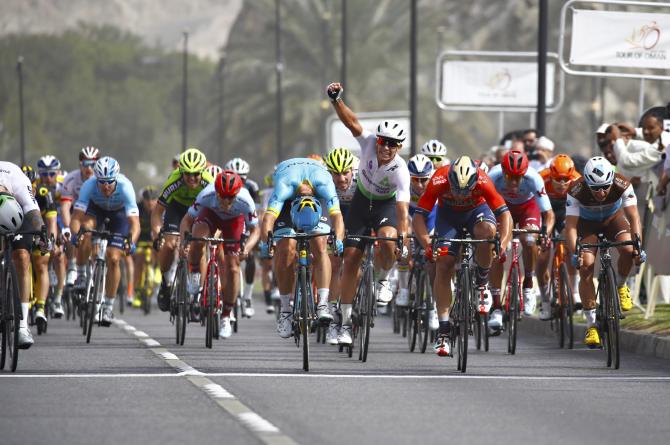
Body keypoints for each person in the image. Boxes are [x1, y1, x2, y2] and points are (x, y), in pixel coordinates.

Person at [326, 81, 411, 345]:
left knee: (388, 238)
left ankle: (384, 278)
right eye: (384, 142)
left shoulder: (400, 170)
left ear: (399, 147)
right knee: (350, 259)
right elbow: (351, 123)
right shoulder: (368, 143)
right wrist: (336, 100)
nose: (386, 148)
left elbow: (402, 209)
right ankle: (346, 323)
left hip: (385, 206)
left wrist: (403, 240)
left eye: (393, 144)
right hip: (361, 203)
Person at [413, 156, 512, 356]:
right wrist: (427, 244)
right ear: (450, 179)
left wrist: (502, 244)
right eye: (456, 189)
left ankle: (482, 283)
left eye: (465, 190)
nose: (459, 195)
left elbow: (505, 215)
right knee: (444, 263)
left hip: (477, 211)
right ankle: (443, 331)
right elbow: (418, 217)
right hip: (448, 216)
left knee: (486, 233)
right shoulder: (439, 179)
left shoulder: (484, 181)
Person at [259, 157, 345, 338]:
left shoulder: (324, 184)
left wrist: (338, 239)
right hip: (288, 202)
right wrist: (266, 241)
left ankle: (322, 303)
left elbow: (337, 217)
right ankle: (285, 311)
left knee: (321, 245)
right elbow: (268, 218)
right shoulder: (284, 186)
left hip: (316, 201)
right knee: (286, 249)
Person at [565, 156, 644, 347]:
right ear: (587, 183)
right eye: (595, 188)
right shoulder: (576, 189)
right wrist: (575, 252)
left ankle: (621, 285)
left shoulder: (621, 183)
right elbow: (571, 227)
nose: (601, 192)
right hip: (587, 225)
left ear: (611, 179)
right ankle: (592, 325)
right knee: (586, 266)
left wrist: (638, 247)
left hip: (613, 219)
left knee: (627, 248)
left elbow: (634, 217)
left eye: (605, 187)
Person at [180, 171, 260, 338]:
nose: (225, 201)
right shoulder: (206, 196)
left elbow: (255, 230)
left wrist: (247, 248)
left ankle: (226, 315)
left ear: (237, 194)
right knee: (197, 238)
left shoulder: (245, 201)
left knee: (233, 268)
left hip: (234, 222)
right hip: (211, 215)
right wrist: (184, 241)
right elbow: (187, 220)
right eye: (222, 196)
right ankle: (195, 272)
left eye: (230, 197)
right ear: (216, 192)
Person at [487, 149, 555, 332]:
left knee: (530, 239)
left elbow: (548, 214)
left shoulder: (534, 178)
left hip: (528, 208)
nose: (514, 182)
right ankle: (496, 306)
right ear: (502, 172)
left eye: (519, 177)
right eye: (510, 177)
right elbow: (482, 208)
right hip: (502, 208)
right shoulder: (492, 176)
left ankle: (528, 283)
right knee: (496, 249)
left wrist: (545, 233)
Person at [70, 157, 140, 326]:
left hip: (119, 215)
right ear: (96, 179)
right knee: (85, 230)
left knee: (114, 258)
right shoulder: (89, 185)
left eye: (109, 182)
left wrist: (131, 241)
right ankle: (81, 275)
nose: (106, 186)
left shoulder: (125, 186)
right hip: (97, 211)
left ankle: (108, 306)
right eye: (102, 182)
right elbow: (76, 217)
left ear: (115, 178)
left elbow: (134, 223)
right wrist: (75, 234)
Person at [152, 148, 214, 311]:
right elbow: (157, 212)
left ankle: (197, 293)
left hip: (199, 210)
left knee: (198, 245)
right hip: (176, 209)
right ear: (181, 171)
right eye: (188, 174)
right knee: (169, 245)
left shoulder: (209, 182)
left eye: (196, 174)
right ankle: (165, 282)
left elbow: (216, 211)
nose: (192, 178)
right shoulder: (174, 181)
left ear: (203, 171)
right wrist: (158, 232)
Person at [2, 161, 49, 349]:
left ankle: (23, 325)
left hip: (17, 214)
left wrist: (42, 233)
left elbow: (32, 210)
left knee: (22, 257)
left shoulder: (16, 177)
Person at [536, 155, 582, 320]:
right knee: (542, 257)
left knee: (570, 244)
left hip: (565, 209)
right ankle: (545, 301)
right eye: (558, 180)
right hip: (545, 209)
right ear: (551, 175)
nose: (562, 184)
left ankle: (575, 292)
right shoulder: (541, 178)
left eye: (565, 180)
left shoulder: (577, 180)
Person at [323, 147, 358, 344]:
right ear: (329, 173)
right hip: (334, 214)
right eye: (336, 174)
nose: (342, 179)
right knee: (335, 264)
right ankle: (333, 320)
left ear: (353, 170)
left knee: (355, 263)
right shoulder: (324, 181)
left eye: (345, 173)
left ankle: (357, 300)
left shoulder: (364, 177)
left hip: (356, 213)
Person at [61, 146, 100, 291]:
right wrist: (66, 227)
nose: (89, 168)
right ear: (80, 164)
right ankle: (72, 267)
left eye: (93, 164)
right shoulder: (71, 179)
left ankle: (97, 270)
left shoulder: (100, 179)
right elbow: (65, 207)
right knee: (73, 231)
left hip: (94, 212)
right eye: (86, 164)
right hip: (75, 211)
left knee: (95, 240)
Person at [225, 157, 260, 318]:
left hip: (247, 219)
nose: (238, 179)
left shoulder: (252, 187)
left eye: (242, 177)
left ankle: (247, 297)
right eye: (234, 175)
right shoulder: (222, 185)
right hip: (228, 220)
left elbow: (257, 211)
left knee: (250, 256)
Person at [35, 156, 66, 321]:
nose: (48, 178)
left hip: (60, 219)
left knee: (60, 255)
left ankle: (58, 299)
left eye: (51, 174)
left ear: (58, 173)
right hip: (44, 219)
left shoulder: (64, 183)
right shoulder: (36, 185)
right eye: (44, 174)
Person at [132, 185, 159, 308]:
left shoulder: (160, 209)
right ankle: (137, 293)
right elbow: (132, 227)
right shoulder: (137, 209)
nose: (150, 203)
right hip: (141, 239)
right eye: (147, 200)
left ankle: (158, 269)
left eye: (153, 200)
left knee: (161, 249)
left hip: (155, 239)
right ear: (143, 200)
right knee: (139, 261)